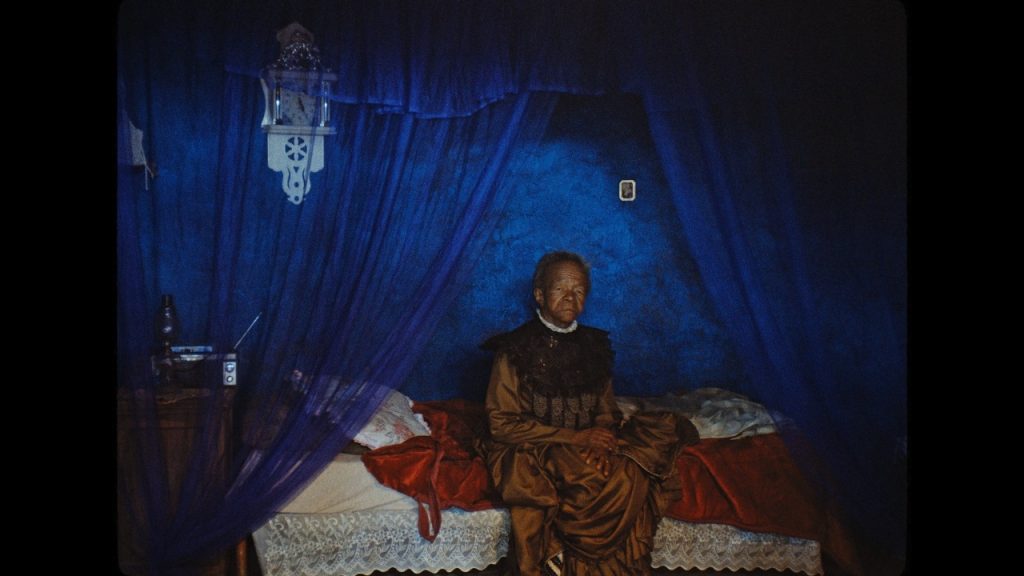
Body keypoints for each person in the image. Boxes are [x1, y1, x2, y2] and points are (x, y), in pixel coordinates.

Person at [482, 251, 696, 576]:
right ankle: (564, 559)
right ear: (539, 294)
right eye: (560, 288)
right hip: (533, 444)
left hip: (587, 442)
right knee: (587, 478)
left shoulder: (595, 346)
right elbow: (501, 425)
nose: (570, 297)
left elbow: (607, 410)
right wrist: (577, 437)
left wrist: (601, 440)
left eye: (579, 290)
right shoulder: (513, 351)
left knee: (631, 467)